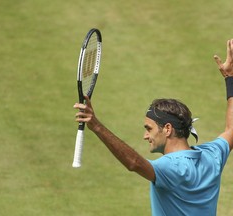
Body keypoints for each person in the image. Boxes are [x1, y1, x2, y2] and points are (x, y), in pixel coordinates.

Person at [73, 39, 233, 216]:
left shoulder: (170, 168)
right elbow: (231, 129)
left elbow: (134, 163)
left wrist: (96, 126)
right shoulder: (212, 156)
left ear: (167, 129)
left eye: (149, 129)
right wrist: (230, 79)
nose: (145, 136)